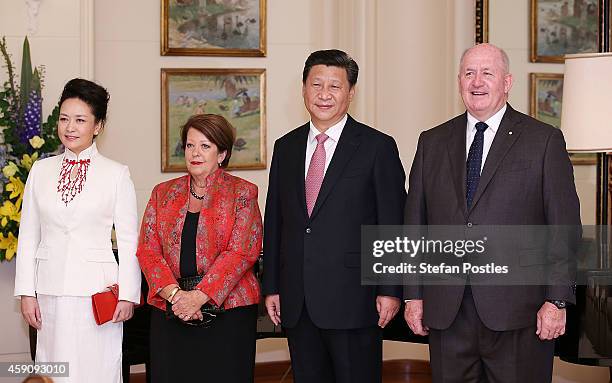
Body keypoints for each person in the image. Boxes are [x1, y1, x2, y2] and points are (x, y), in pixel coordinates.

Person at [403, 43, 581, 382]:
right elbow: (415, 225)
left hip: (521, 314)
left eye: (487, 73)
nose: (477, 81)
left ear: (507, 81)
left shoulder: (543, 141)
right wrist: (413, 293)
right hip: (447, 314)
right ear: (459, 81)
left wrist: (557, 301)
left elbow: (563, 227)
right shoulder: (432, 142)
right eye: (469, 73)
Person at [262, 49, 407, 383]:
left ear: (351, 92)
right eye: (316, 84)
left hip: (356, 300)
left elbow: (393, 224)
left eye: (335, 86)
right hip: (297, 301)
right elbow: (276, 222)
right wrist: (272, 286)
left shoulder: (377, 147)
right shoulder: (286, 147)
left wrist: (390, 289)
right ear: (303, 89)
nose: (324, 94)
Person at [14, 78, 142, 383]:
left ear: (97, 126)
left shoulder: (116, 174)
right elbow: (29, 235)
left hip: (97, 296)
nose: (70, 127)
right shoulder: (40, 171)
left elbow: (128, 240)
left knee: (96, 370)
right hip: (49, 290)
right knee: (53, 370)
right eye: (64, 119)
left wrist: (128, 295)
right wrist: (26, 293)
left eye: (80, 120)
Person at [136, 114, 262, 383]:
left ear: (222, 153)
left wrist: (199, 297)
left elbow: (241, 252)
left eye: (205, 146)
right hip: (171, 311)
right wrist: (177, 297)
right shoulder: (162, 193)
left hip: (229, 314)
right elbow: (148, 250)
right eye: (190, 146)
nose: (195, 153)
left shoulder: (243, 192)